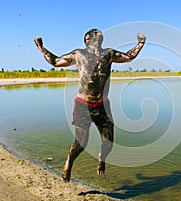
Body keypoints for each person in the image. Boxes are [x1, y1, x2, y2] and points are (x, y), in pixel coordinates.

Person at [34, 29, 146, 182]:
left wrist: (140, 44)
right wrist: (40, 47)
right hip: (83, 105)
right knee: (81, 143)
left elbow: (129, 57)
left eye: (99, 33)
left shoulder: (109, 53)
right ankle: (69, 161)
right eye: (95, 33)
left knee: (109, 141)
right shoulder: (78, 54)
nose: (99, 34)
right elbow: (55, 61)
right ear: (87, 39)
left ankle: (102, 159)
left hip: (103, 106)